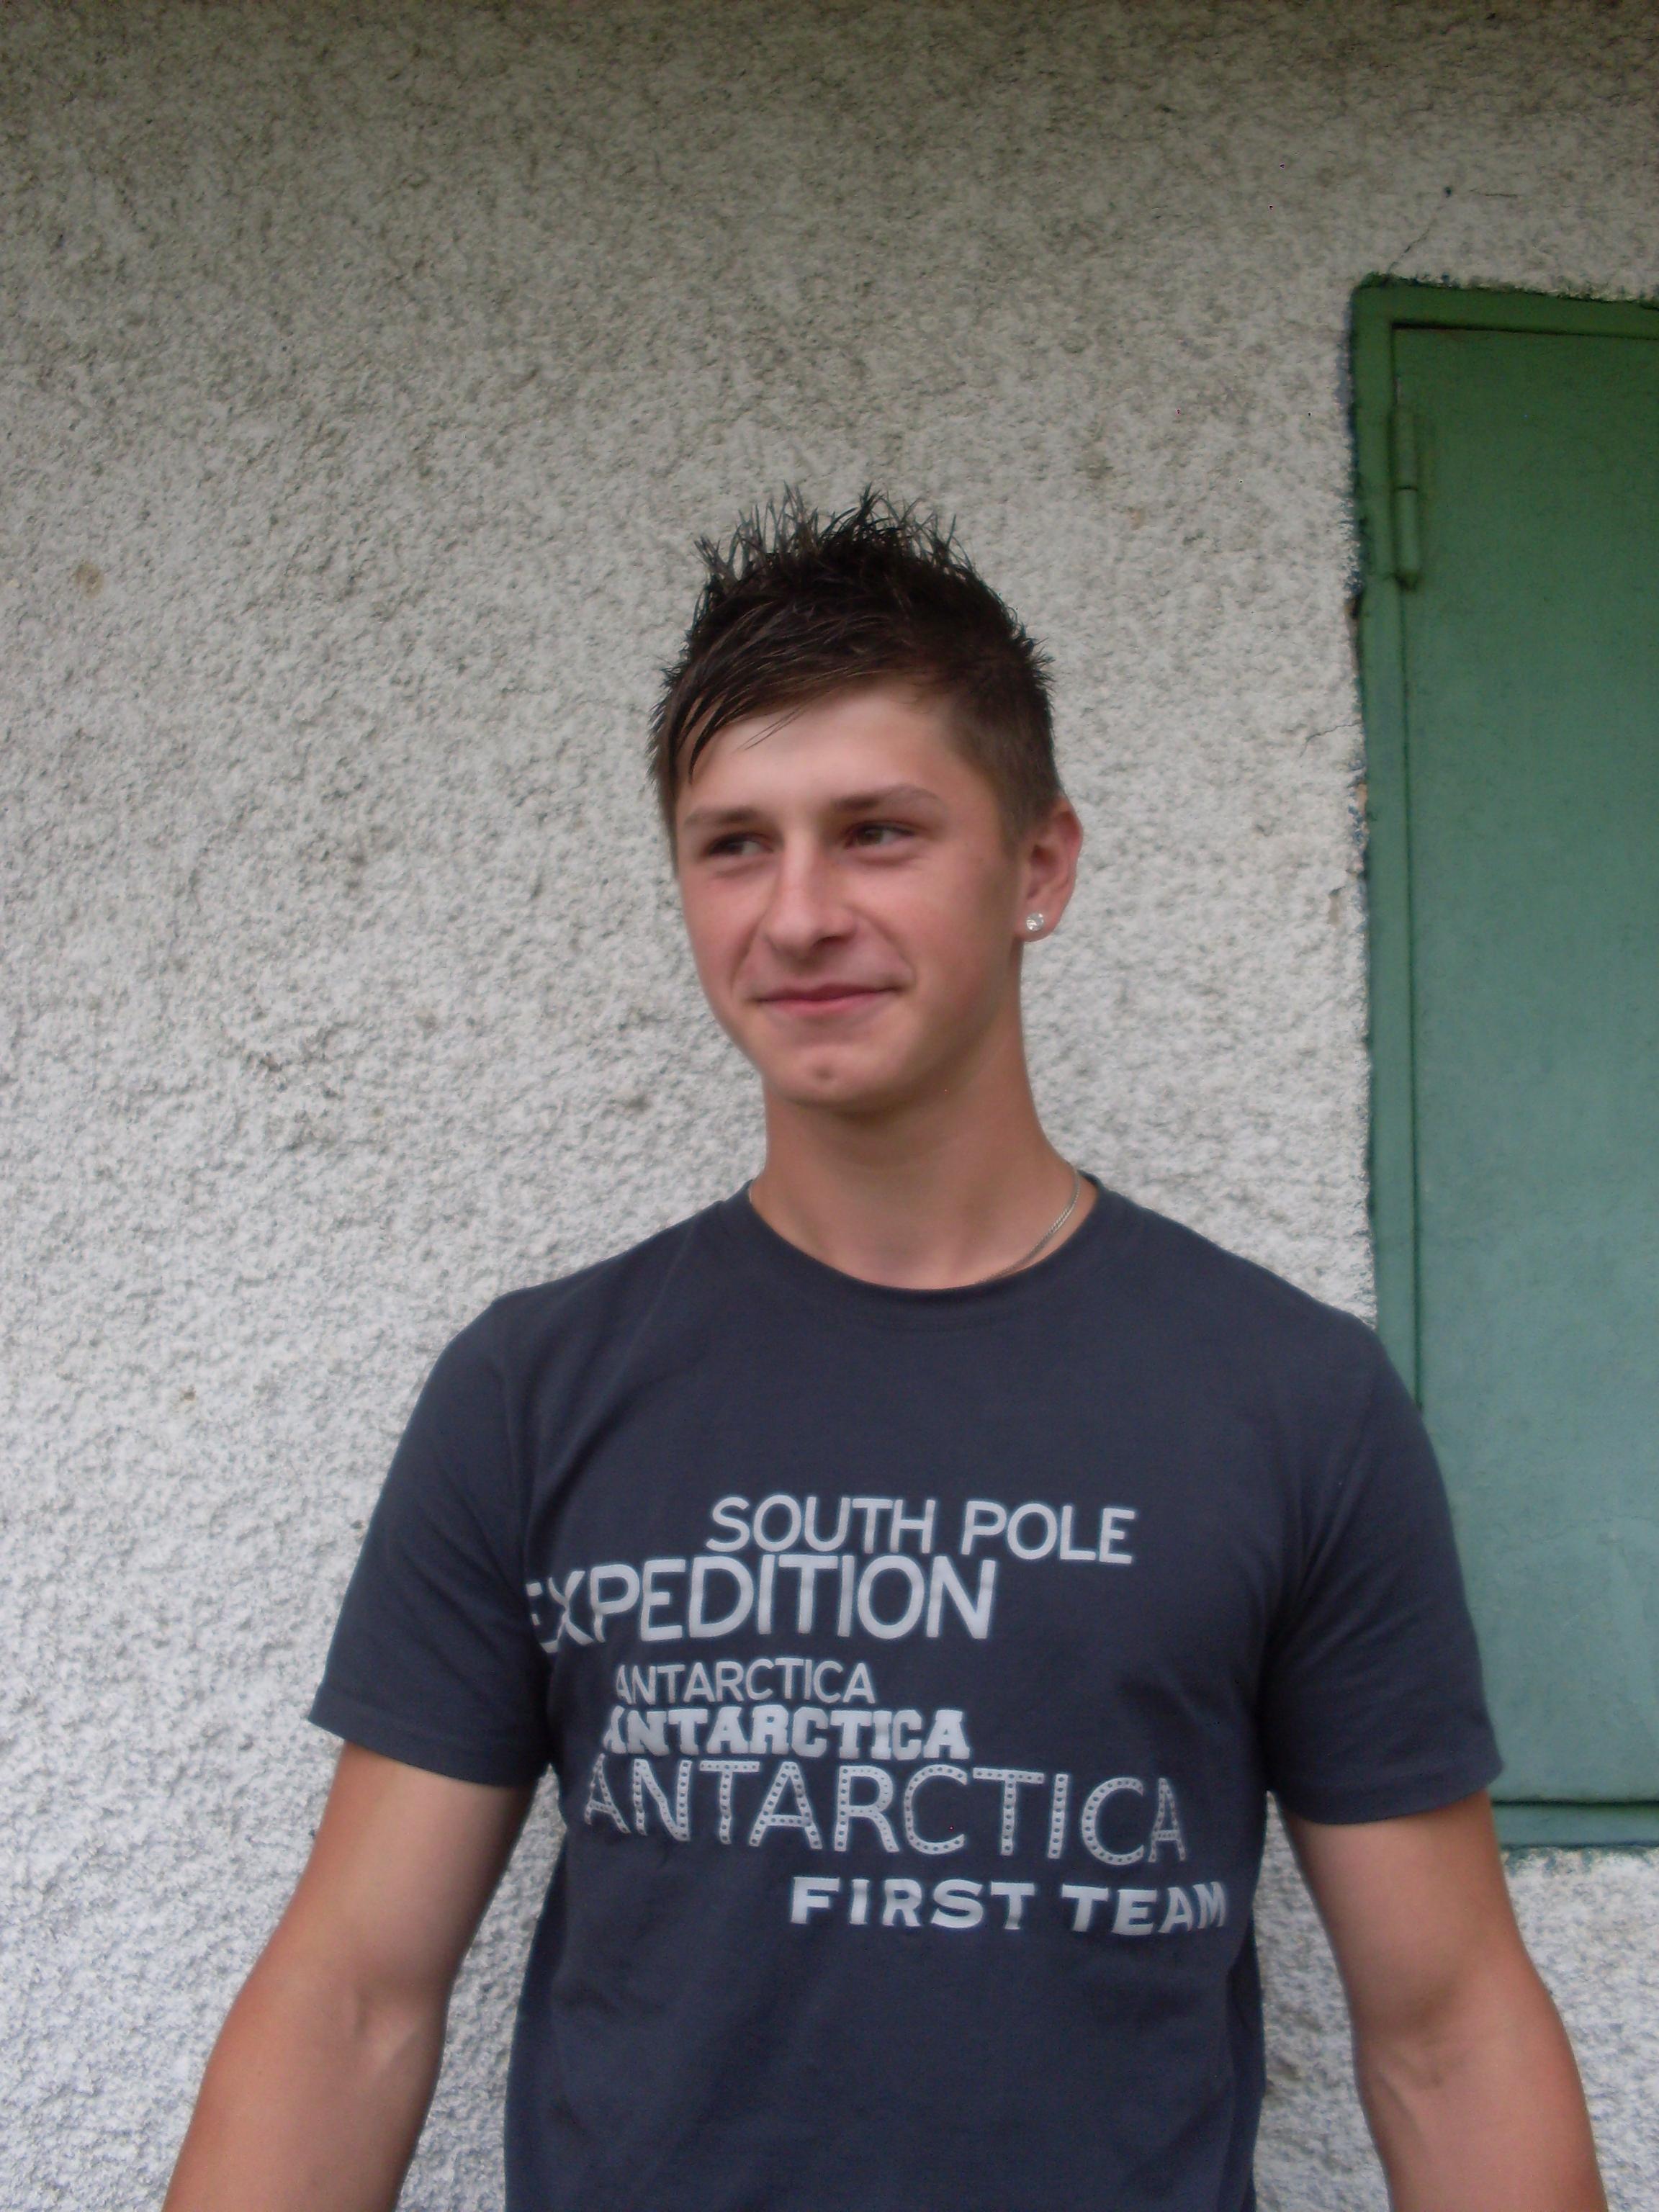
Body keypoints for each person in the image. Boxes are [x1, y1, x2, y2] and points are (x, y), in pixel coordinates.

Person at [164, 493, 1605, 2212]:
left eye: (877, 832)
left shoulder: (1289, 1401)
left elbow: (1446, 2030)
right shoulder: (535, 1393)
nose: (798, 914)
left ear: (1039, 869)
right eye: (734, 845)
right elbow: (351, 2003)